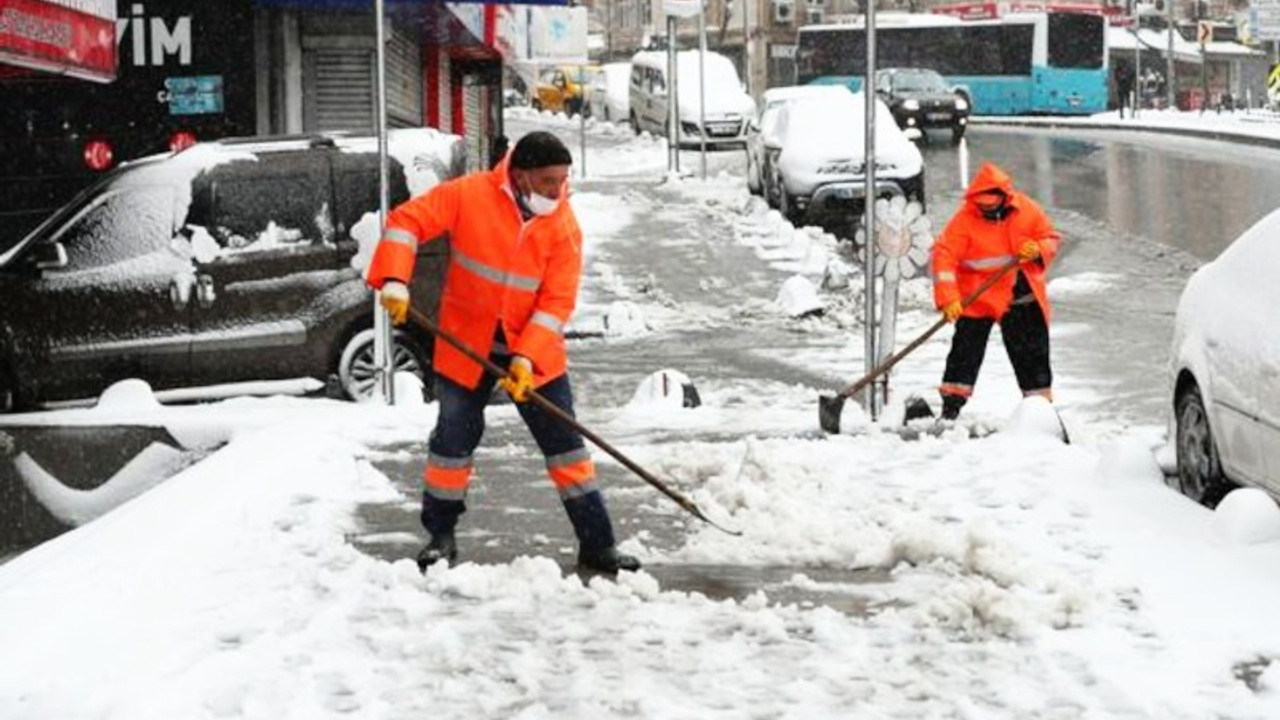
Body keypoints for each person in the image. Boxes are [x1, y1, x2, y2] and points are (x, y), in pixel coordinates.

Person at [364, 131, 640, 574]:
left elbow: (556, 304)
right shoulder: (471, 195)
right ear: (522, 175)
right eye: (549, 180)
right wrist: (396, 279)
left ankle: (598, 543)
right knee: (452, 443)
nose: (559, 190)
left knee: (566, 448)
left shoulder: (563, 225)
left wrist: (526, 358)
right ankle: (440, 535)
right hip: (466, 343)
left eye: (564, 180)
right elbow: (405, 221)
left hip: (532, 352)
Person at [931, 162, 1061, 422]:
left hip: (1020, 295)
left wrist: (1038, 249)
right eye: (982, 208)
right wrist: (949, 299)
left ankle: (1040, 411)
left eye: (991, 207)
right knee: (964, 353)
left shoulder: (1027, 211)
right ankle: (950, 408)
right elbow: (944, 255)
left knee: (1031, 355)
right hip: (979, 295)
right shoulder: (965, 219)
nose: (987, 212)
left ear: (1005, 199)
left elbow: (1050, 237)